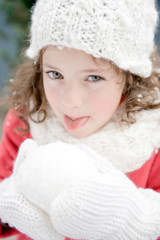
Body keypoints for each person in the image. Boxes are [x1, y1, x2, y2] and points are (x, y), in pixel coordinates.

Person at [0, 0, 160, 239]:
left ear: (129, 76)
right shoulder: (26, 118)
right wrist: (7, 206)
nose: (70, 101)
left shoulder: (153, 135)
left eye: (93, 77)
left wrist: (137, 218)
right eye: (55, 74)